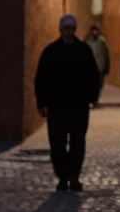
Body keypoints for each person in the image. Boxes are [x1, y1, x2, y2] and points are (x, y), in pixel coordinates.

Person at [34, 14, 100, 192]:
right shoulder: (51, 52)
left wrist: (92, 97)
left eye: (71, 29)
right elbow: (41, 79)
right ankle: (63, 176)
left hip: (78, 106)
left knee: (78, 142)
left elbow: (93, 76)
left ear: (74, 30)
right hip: (57, 107)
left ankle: (74, 176)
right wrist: (42, 102)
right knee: (57, 144)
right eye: (65, 29)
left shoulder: (83, 51)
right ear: (61, 30)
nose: (68, 32)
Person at [84, 23, 110, 96]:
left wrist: (106, 66)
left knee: (99, 83)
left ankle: (96, 96)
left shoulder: (101, 41)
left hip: (100, 66)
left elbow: (105, 54)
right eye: (93, 31)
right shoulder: (87, 41)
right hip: (90, 67)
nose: (95, 33)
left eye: (96, 31)